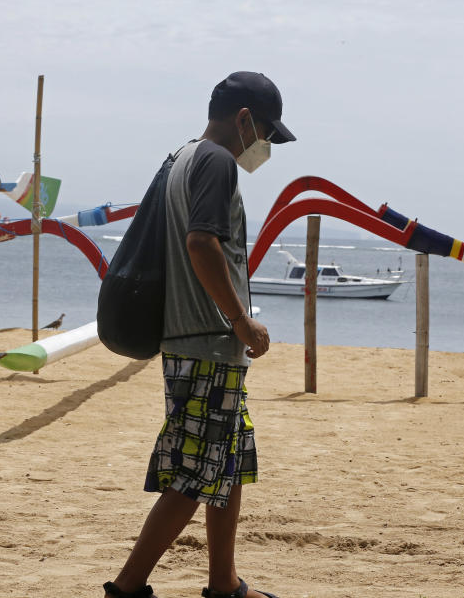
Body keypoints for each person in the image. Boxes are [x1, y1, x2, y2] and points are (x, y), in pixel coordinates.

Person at [103, 72, 295, 598]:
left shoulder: (182, 156)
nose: (265, 147)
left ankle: (224, 584)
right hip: (205, 341)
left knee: (227, 461)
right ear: (244, 120)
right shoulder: (215, 162)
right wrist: (240, 319)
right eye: (266, 135)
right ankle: (127, 587)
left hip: (199, 341)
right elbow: (201, 244)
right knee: (192, 475)